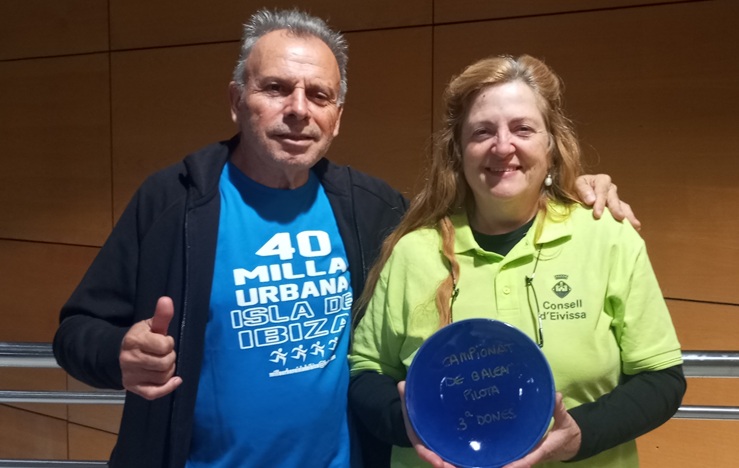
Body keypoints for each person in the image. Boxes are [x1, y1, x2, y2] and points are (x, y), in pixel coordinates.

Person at [51, 7, 635, 467]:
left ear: (337, 115)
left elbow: (486, 200)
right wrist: (117, 355)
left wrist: (573, 188)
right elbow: (76, 331)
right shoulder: (174, 203)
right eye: (276, 88)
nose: (298, 110)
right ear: (236, 101)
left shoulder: (371, 209)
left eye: (319, 95)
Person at [348, 54, 685, 468]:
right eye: (482, 131)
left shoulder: (607, 237)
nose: (503, 146)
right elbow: (366, 372)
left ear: (552, 145)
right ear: (458, 151)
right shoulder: (413, 252)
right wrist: (411, 425)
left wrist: (578, 437)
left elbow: (661, 378)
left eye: (523, 128)